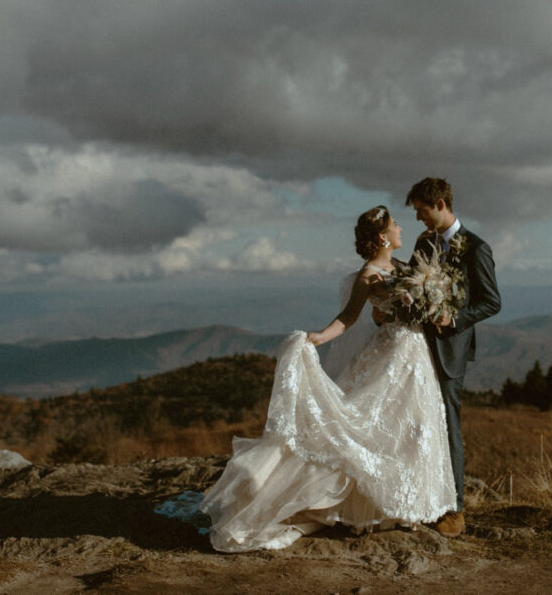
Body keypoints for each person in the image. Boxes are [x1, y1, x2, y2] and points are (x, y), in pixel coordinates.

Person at [198, 206, 457, 552]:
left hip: (416, 357)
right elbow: (348, 318)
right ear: (382, 237)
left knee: (414, 427)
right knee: (368, 426)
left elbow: (407, 304)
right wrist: (317, 338)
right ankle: (325, 501)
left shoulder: (402, 268)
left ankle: (403, 506)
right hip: (391, 355)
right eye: (395, 225)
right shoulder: (369, 274)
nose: (400, 229)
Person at [405, 177, 501, 538]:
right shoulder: (422, 243)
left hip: (450, 350)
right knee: (418, 424)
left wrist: (455, 317)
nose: (419, 219)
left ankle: (455, 511)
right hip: (416, 346)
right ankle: (423, 500)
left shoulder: (476, 248)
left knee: (448, 425)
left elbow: (492, 301)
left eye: (422, 211)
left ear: (441, 204)